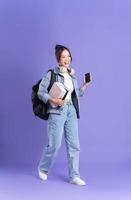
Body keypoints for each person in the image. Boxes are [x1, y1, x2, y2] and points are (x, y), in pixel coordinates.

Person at [37, 44, 91, 186]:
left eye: (68, 56)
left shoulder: (72, 76)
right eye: (63, 57)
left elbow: (75, 95)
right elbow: (40, 92)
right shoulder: (51, 74)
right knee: (54, 144)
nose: (67, 59)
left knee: (74, 145)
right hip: (57, 111)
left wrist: (84, 86)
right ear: (58, 59)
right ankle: (43, 168)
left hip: (71, 111)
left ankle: (74, 176)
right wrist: (52, 99)